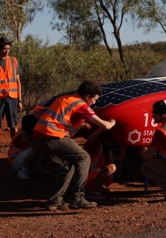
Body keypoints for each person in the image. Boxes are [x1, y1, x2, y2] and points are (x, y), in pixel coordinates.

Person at [31, 80, 116, 211]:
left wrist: (78, 124)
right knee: (83, 158)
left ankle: (55, 200)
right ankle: (78, 198)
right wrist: (111, 123)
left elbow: (57, 117)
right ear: (88, 96)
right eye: (94, 100)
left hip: (39, 137)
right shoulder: (81, 105)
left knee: (69, 163)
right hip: (52, 136)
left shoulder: (66, 98)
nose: (94, 103)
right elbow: (104, 125)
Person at [83, 130, 125, 201]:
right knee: (111, 167)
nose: (110, 141)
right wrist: (102, 129)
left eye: (112, 139)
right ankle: (91, 192)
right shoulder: (95, 144)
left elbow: (120, 158)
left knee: (119, 166)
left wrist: (123, 145)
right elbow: (90, 139)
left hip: (92, 176)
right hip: (86, 178)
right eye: (108, 138)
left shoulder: (108, 150)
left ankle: (97, 187)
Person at [7, 114, 50, 180]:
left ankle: (35, 168)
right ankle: (23, 171)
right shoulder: (22, 136)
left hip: (20, 157)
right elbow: (34, 144)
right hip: (15, 161)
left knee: (43, 148)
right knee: (34, 149)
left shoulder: (26, 131)